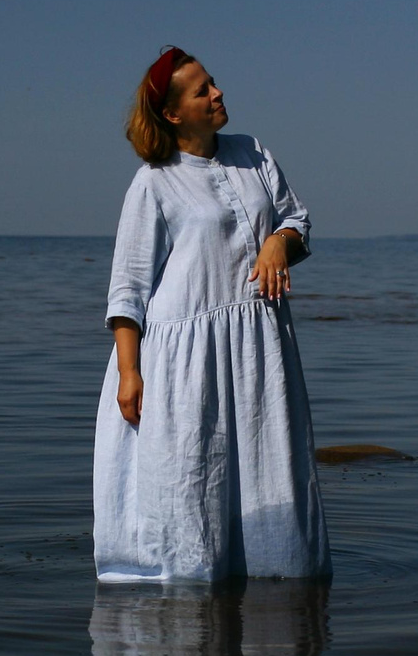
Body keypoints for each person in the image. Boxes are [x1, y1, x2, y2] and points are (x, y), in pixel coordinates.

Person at [95, 48, 330, 583]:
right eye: (202, 90)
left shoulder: (253, 153)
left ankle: (277, 585)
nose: (217, 93)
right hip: (183, 359)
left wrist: (278, 242)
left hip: (258, 347)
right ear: (174, 114)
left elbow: (297, 221)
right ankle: (183, 599)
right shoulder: (154, 182)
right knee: (192, 475)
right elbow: (128, 289)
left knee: (270, 467)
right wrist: (130, 373)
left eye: (213, 83)